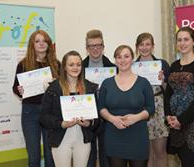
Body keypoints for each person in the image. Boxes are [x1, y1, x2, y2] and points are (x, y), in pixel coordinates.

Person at [39, 50, 99, 167]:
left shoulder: (89, 87)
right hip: (60, 138)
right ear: (65, 67)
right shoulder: (54, 88)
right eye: (71, 65)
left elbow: (97, 119)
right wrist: (61, 124)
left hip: (83, 139)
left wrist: (88, 123)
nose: (75, 67)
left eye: (78, 64)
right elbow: (43, 117)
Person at [99, 45, 155, 167]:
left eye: (126, 56)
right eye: (119, 57)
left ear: (132, 59)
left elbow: (151, 108)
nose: (122, 60)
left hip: (138, 137)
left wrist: (136, 118)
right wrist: (112, 119)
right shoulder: (106, 83)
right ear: (115, 60)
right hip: (113, 136)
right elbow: (101, 107)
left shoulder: (144, 83)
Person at [164, 26, 194, 167]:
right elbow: (168, 93)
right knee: (181, 161)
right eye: (179, 40)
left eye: (186, 39)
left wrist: (181, 120)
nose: (182, 43)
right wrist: (168, 116)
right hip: (175, 122)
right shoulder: (174, 65)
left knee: (190, 162)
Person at [12, 30, 59, 167]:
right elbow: (15, 87)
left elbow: (64, 88)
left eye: (44, 41)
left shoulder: (56, 64)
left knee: (51, 156)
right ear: (32, 45)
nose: (41, 44)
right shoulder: (23, 64)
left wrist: (56, 85)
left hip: (50, 112)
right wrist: (19, 90)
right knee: (34, 156)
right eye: (37, 41)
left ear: (49, 44)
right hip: (30, 112)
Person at [135, 32, 169, 167]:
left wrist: (164, 81)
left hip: (159, 109)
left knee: (160, 151)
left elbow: (170, 90)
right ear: (137, 47)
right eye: (141, 44)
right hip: (141, 110)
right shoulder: (132, 66)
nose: (144, 47)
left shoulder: (162, 64)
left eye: (147, 44)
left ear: (153, 46)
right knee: (146, 153)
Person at [83, 29, 116, 167]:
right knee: (88, 156)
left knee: (106, 156)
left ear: (103, 46)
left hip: (107, 116)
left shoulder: (113, 68)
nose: (95, 48)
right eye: (92, 46)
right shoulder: (79, 68)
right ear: (87, 48)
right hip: (87, 116)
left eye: (98, 45)